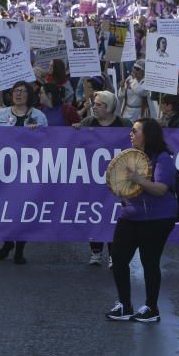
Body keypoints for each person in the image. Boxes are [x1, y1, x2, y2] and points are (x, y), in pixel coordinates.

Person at [105, 118, 178, 324]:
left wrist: (138, 179)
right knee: (118, 259)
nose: (131, 134)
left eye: (135, 131)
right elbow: (126, 187)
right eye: (131, 130)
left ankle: (151, 308)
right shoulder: (131, 156)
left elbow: (161, 188)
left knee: (150, 262)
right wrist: (117, 186)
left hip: (157, 218)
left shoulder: (163, 158)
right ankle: (124, 305)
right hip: (131, 214)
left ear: (148, 135)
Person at [0, 81, 47, 265]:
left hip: (28, 171)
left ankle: (20, 249)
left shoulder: (39, 116)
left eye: (22, 91)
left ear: (29, 94)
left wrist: (37, 132)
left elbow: (49, 141)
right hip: (6, 170)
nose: (18, 94)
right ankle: (7, 242)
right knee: (6, 208)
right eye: (15, 91)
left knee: (23, 210)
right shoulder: (2, 114)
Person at [74, 90, 131, 265]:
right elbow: (74, 144)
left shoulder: (124, 124)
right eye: (94, 104)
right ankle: (96, 250)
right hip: (91, 179)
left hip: (117, 180)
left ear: (109, 107)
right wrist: (75, 131)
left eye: (99, 104)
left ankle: (114, 253)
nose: (94, 107)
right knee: (94, 214)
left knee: (114, 216)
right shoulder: (87, 122)